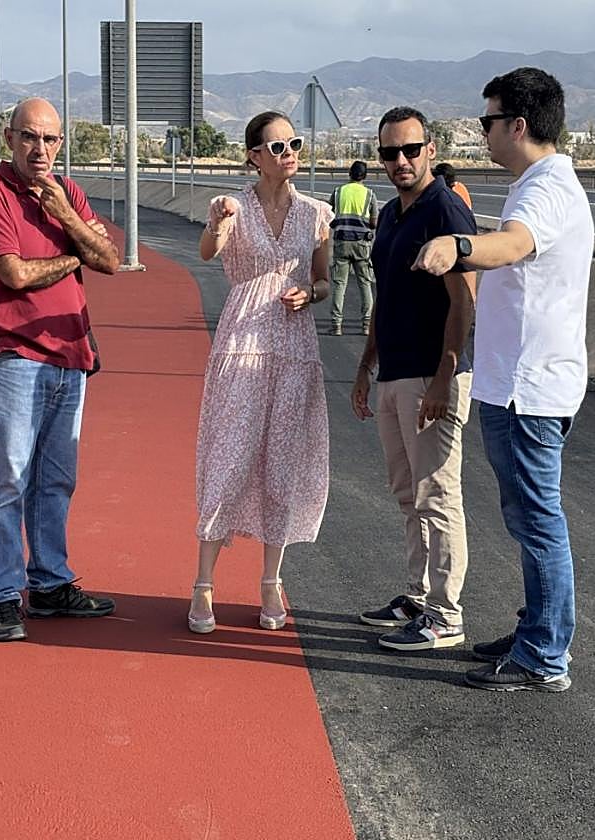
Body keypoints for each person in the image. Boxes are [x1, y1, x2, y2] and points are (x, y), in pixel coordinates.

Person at [414, 67, 594, 691]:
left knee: (538, 522)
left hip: (526, 389)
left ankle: (545, 655)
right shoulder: (542, 183)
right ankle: (537, 630)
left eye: (489, 122)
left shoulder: (544, 189)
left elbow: (513, 245)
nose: (484, 133)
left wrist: (456, 246)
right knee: (530, 518)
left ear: (518, 125)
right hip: (525, 383)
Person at [0, 97, 121, 642]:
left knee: (56, 479)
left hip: (69, 357)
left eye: (51, 140)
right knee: (8, 477)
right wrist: (76, 254)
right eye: (30, 137)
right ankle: (0, 595)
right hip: (14, 355)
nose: (41, 149)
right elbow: (15, 274)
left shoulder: (69, 193)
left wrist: (68, 216)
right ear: (9, 139)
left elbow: (112, 259)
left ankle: (50, 583)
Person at [188, 110, 333, 634]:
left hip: (294, 346)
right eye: (275, 146)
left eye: (293, 143)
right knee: (229, 456)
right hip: (243, 343)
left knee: (282, 464)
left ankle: (271, 581)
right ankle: (203, 583)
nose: (288, 152)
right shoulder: (231, 206)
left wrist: (310, 294)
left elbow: (323, 281)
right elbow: (208, 253)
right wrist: (216, 224)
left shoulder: (317, 213)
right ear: (252, 156)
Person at [351, 106, 479, 652]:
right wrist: (364, 367)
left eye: (410, 150)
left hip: (433, 374)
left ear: (431, 149)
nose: (399, 161)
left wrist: (443, 379)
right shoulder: (392, 215)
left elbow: (464, 301)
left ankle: (446, 616)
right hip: (395, 372)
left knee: (438, 494)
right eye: (388, 153)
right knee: (408, 493)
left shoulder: (445, 210)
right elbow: (385, 298)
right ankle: (418, 595)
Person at [327, 160, 378, 336]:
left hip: (341, 242)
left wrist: (339, 225)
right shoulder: (370, 194)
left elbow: (329, 214)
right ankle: (366, 325)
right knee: (365, 283)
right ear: (364, 176)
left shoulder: (339, 191)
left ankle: (336, 325)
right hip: (362, 244)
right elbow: (374, 222)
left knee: (340, 284)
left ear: (349, 174)